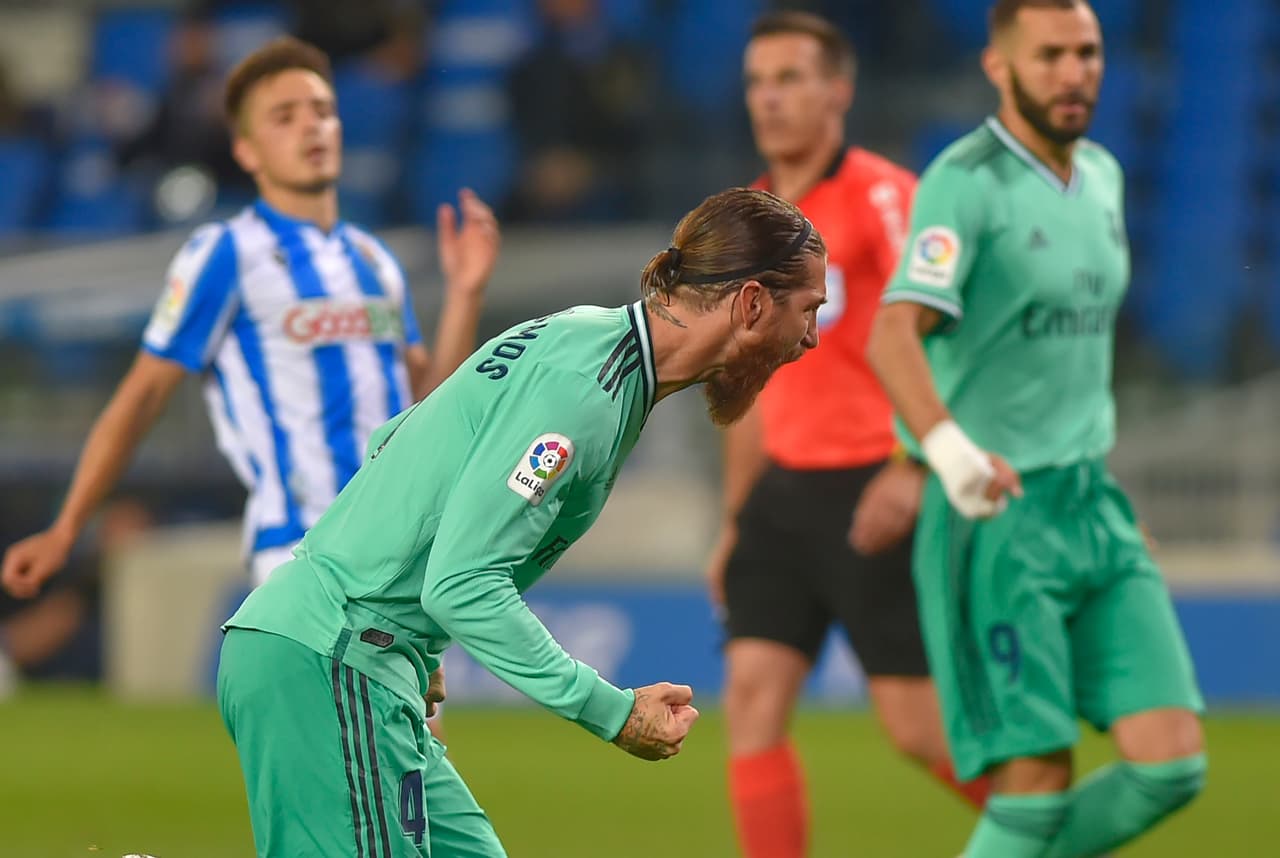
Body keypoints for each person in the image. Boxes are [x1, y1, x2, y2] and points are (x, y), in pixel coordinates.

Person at [216, 186, 827, 857]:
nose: (811, 337)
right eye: (807, 310)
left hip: (355, 654)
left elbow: (394, 439)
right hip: (334, 658)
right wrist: (614, 713)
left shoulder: (586, 339)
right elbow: (462, 582)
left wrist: (418, 637)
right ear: (750, 303)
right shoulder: (587, 394)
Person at [867, 2, 1205, 856]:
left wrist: (1098, 493)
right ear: (998, 65)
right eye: (1049, 54)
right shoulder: (965, 180)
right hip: (996, 518)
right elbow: (892, 331)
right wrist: (945, 453)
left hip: (1091, 502)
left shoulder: (1102, 175)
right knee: (1034, 780)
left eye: (1087, 52)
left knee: (1171, 766)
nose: (1073, 71)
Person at [1, 37, 498, 600]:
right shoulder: (226, 254)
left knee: (400, 695)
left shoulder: (373, 260)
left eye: (323, 111)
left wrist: (465, 292)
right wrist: (68, 526)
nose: (312, 127)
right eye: (285, 117)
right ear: (247, 151)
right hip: (302, 548)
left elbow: (425, 413)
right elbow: (141, 396)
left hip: (399, 545)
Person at [706, 13, 986, 857]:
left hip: (873, 482)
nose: (770, 98)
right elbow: (739, 380)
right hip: (782, 494)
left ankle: (1048, 822)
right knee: (750, 705)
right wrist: (736, 517)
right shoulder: (748, 223)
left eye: (790, 78)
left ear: (839, 90)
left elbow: (945, 338)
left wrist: (914, 461)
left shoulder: (884, 196)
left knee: (915, 730)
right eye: (758, 81)